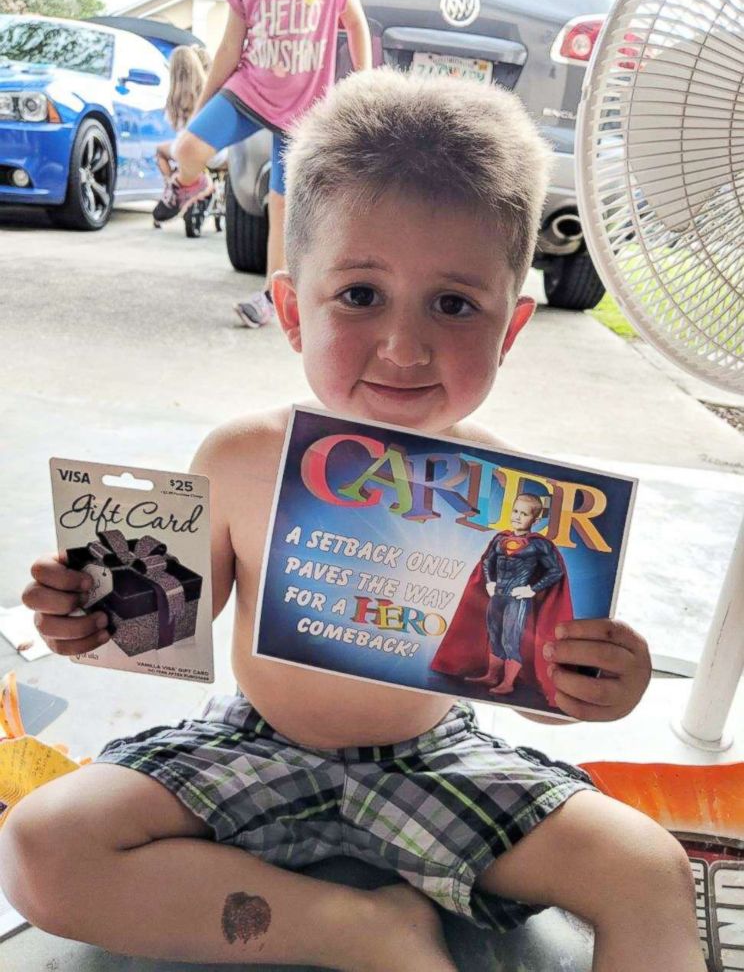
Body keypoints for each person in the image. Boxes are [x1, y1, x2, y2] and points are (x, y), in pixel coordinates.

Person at [4, 71, 704, 972]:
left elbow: (534, 669)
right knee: (40, 844)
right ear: (293, 310)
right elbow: (165, 621)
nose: (405, 347)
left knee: (650, 869)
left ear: (512, 328)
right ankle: (352, 928)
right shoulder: (240, 457)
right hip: (252, 746)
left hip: (436, 759)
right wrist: (88, 613)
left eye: (454, 305)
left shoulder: (519, 499)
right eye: (361, 296)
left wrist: (600, 683)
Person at [152, 0, 373, 328]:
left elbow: (356, 23)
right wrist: (199, 109)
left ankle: (271, 295)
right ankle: (191, 185)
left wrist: (365, 84)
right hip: (249, 89)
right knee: (186, 148)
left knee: (281, 205)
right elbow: (229, 47)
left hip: (304, 107)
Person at [431, 493, 574, 705]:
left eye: (524, 514)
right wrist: (488, 582)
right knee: (494, 635)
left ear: (534, 520)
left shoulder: (538, 545)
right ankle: (492, 675)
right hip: (497, 595)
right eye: (515, 511)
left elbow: (555, 571)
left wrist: (532, 590)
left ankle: (508, 682)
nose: (517, 517)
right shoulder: (500, 538)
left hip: (517, 599)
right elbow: (487, 561)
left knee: (510, 639)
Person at [154, 46, 208, 189]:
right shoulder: (208, 91)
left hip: (188, 149)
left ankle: (174, 189)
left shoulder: (174, 99)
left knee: (159, 151)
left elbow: (174, 126)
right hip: (214, 151)